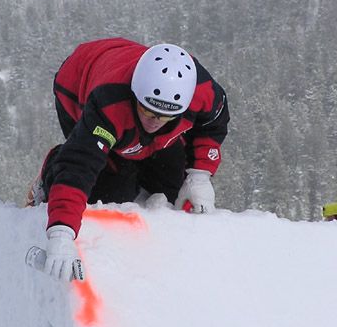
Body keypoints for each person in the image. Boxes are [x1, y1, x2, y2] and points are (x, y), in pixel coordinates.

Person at [28, 37, 229, 282]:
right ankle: (52, 166)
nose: (154, 121)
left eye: (164, 116)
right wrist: (61, 231)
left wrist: (199, 174)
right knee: (110, 190)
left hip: (124, 83)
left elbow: (212, 125)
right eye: (147, 110)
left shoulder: (202, 92)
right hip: (78, 80)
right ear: (136, 95)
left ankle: (139, 152)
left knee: (171, 188)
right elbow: (79, 166)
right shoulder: (108, 103)